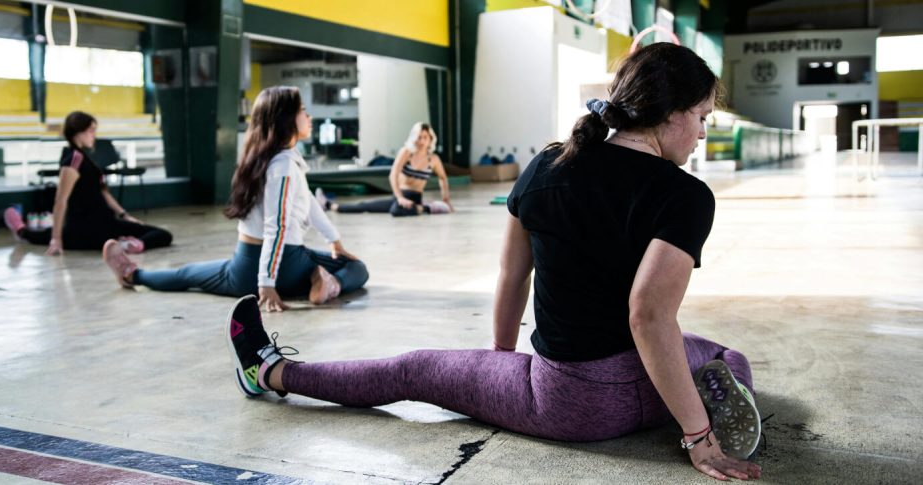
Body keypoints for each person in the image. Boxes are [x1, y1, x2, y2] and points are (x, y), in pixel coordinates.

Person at [224, 43, 763, 481]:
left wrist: (503, 360)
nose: (700, 133)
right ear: (669, 114)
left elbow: (514, 273)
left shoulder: (550, 164)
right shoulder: (687, 195)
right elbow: (651, 320)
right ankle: (715, 402)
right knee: (722, 353)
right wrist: (697, 434)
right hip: (655, 393)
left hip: (570, 404)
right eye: (699, 117)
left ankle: (269, 371)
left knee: (412, 370)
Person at [103, 86, 368, 311]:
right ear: (286, 118)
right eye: (302, 110)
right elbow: (277, 227)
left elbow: (308, 201)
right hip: (283, 265)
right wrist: (266, 282)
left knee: (187, 274)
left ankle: (133, 274)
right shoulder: (284, 165)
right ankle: (329, 283)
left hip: (246, 263)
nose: (308, 116)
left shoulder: (262, 161)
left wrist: (334, 240)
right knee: (357, 269)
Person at [3, 112, 172, 255]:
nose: (94, 135)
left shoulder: (85, 159)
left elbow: (103, 192)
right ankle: (21, 229)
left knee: (161, 235)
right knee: (161, 235)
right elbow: (60, 200)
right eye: (91, 131)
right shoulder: (73, 160)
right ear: (78, 132)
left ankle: (131, 245)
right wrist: (56, 239)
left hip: (100, 224)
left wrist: (124, 215)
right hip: (88, 227)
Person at [320, 122, 453, 216]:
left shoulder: (433, 159)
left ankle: (422, 207)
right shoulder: (406, 152)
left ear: (430, 139)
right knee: (366, 206)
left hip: (415, 198)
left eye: (425, 137)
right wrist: (400, 197)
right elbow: (393, 174)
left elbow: (443, 177)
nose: (421, 141)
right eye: (419, 137)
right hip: (400, 196)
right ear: (414, 138)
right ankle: (329, 205)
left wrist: (446, 199)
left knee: (396, 210)